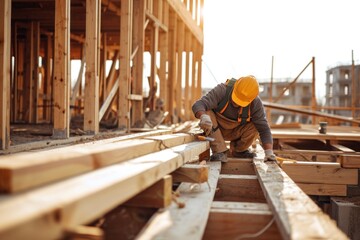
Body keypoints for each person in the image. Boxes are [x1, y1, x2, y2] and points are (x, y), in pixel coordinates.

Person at [192, 75, 276, 163]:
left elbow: (264, 129)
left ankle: (239, 151)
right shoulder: (222, 90)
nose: (236, 103)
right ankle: (220, 151)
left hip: (236, 132)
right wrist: (203, 117)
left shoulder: (255, 103)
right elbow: (198, 104)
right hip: (215, 130)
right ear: (235, 87)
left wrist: (269, 152)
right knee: (207, 111)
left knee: (256, 125)